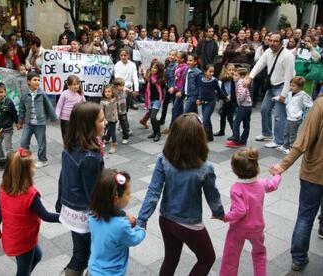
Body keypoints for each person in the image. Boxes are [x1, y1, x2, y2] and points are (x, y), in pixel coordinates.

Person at [137, 114, 224, 276]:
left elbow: (153, 192)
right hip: (189, 223)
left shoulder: (163, 159)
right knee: (207, 258)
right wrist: (219, 213)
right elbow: (213, 197)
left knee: (171, 258)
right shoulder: (205, 167)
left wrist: (142, 219)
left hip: (166, 219)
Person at [269, 95, 323, 271]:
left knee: (305, 216)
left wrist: (283, 164)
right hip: (315, 172)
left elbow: (304, 140)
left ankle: (299, 258)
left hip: (314, 172)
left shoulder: (321, 104)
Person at [0, 147, 60, 275]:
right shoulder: (30, 195)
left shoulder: (4, 188)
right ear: (26, 172)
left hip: (14, 237)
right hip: (24, 241)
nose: (35, 168)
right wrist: (67, 218)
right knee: (23, 270)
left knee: (37, 256)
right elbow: (46, 216)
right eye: (33, 166)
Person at [56, 102, 106, 276]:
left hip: (70, 209)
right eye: (101, 119)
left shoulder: (71, 146)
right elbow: (94, 193)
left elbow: (63, 177)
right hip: (85, 215)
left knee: (80, 250)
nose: (105, 122)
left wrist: (59, 200)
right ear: (88, 125)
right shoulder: (91, 156)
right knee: (91, 255)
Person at [219, 147, 281, 276]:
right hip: (257, 228)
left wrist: (224, 217)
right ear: (256, 167)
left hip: (238, 229)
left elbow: (240, 211)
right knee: (259, 253)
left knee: (231, 256)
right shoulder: (262, 184)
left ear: (235, 170)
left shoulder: (236, 188)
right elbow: (273, 185)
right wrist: (277, 175)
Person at [88, 169, 145, 275]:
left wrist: (124, 215)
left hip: (94, 268)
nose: (130, 196)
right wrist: (141, 229)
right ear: (115, 199)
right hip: (112, 273)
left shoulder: (93, 214)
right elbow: (133, 239)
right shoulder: (121, 225)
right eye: (128, 194)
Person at [245, 33, 295, 149]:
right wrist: (250, 77)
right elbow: (259, 65)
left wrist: (284, 94)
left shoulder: (288, 56)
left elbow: (289, 77)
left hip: (282, 86)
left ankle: (279, 140)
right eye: (270, 40)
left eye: (275, 41)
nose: (272, 43)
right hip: (271, 86)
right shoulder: (267, 52)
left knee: (279, 115)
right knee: (264, 110)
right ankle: (267, 134)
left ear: (281, 42)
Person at [17, 72, 56, 168]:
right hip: (28, 123)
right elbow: (22, 109)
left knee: (41, 143)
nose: (37, 82)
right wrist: (20, 121)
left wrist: (53, 117)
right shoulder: (25, 94)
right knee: (23, 142)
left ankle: (43, 160)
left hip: (40, 123)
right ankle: (25, 159)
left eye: (38, 80)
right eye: (35, 80)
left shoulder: (42, 94)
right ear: (29, 82)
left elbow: (49, 106)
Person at [277, 77, 312, 155]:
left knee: (292, 134)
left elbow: (310, 105)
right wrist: (277, 98)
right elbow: (286, 101)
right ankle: (285, 146)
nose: (291, 87)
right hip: (289, 117)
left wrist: (302, 115)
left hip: (296, 118)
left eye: (293, 86)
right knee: (286, 132)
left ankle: (292, 148)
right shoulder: (289, 93)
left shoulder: (303, 95)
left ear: (300, 87)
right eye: (291, 85)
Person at [0, 82, 18, 169]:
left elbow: (14, 114)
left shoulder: (9, 102)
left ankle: (10, 163)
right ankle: (2, 160)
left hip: (7, 129)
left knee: (8, 147)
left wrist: (18, 123)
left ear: (5, 92)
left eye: (1, 92)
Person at [197, 64, 226, 141]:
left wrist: (225, 97)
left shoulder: (214, 80)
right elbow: (200, 90)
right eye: (210, 72)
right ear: (205, 72)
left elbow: (219, 91)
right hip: (203, 102)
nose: (212, 73)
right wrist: (199, 99)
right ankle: (210, 136)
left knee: (205, 119)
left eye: (213, 72)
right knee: (207, 119)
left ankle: (205, 137)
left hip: (211, 102)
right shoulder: (201, 80)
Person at [226, 67, 253, 148]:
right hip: (249, 106)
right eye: (233, 75)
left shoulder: (240, 82)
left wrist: (239, 102)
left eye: (235, 75)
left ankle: (236, 141)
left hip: (244, 106)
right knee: (246, 124)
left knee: (236, 123)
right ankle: (243, 141)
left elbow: (243, 93)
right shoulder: (241, 81)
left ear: (241, 76)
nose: (233, 76)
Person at [162, 51, 188, 134]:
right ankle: (182, 126)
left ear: (182, 59)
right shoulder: (179, 66)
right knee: (180, 109)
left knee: (175, 109)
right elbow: (177, 79)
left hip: (180, 91)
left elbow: (183, 81)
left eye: (177, 57)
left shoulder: (184, 68)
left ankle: (172, 128)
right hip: (177, 90)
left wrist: (179, 90)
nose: (175, 58)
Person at [55, 75, 86, 142]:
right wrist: (56, 115)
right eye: (74, 84)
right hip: (65, 120)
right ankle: (67, 149)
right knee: (66, 137)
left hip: (77, 119)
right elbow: (59, 106)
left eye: (78, 84)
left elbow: (85, 104)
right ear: (69, 85)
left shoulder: (80, 94)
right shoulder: (64, 94)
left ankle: (75, 150)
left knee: (77, 136)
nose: (76, 86)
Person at [144, 62, 164, 142]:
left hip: (157, 100)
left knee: (152, 117)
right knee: (152, 118)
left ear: (159, 70)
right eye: (152, 67)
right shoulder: (149, 77)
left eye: (155, 68)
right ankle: (154, 132)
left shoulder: (161, 79)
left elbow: (163, 86)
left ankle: (158, 133)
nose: (153, 69)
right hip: (150, 100)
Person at [214, 63, 236, 137]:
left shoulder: (234, 79)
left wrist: (230, 97)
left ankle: (235, 134)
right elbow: (222, 89)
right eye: (230, 70)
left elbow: (235, 91)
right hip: (226, 100)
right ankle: (222, 131)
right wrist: (225, 97)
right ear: (225, 70)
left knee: (230, 118)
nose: (231, 71)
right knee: (222, 116)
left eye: (233, 70)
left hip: (232, 101)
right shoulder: (223, 79)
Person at [159, 50, 177, 126]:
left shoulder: (176, 65)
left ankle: (175, 122)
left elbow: (176, 78)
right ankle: (162, 120)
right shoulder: (167, 64)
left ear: (176, 57)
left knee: (175, 106)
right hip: (168, 87)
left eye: (173, 55)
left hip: (174, 88)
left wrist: (173, 87)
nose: (171, 56)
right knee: (165, 104)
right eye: (170, 54)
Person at [100, 85, 118, 154]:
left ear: (112, 92)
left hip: (113, 119)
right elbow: (101, 111)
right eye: (106, 91)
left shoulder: (115, 99)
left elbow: (118, 107)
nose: (107, 93)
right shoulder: (103, 102)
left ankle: (113, 146)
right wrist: (103, 119)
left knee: (113, 133)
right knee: (102, 132)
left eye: (109, 91)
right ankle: (100, 145)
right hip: (105, 120)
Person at [113, 78, 131, 145]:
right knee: (111, 124)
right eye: (120, 86)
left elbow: (129, 92)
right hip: (115, 111)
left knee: (124, 124)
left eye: (123, 85)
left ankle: (125, 137)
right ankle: (106, 137)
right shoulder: (113, 93)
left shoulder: (124, 91)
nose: (122, 87)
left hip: (123, 111)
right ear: (116, 86)